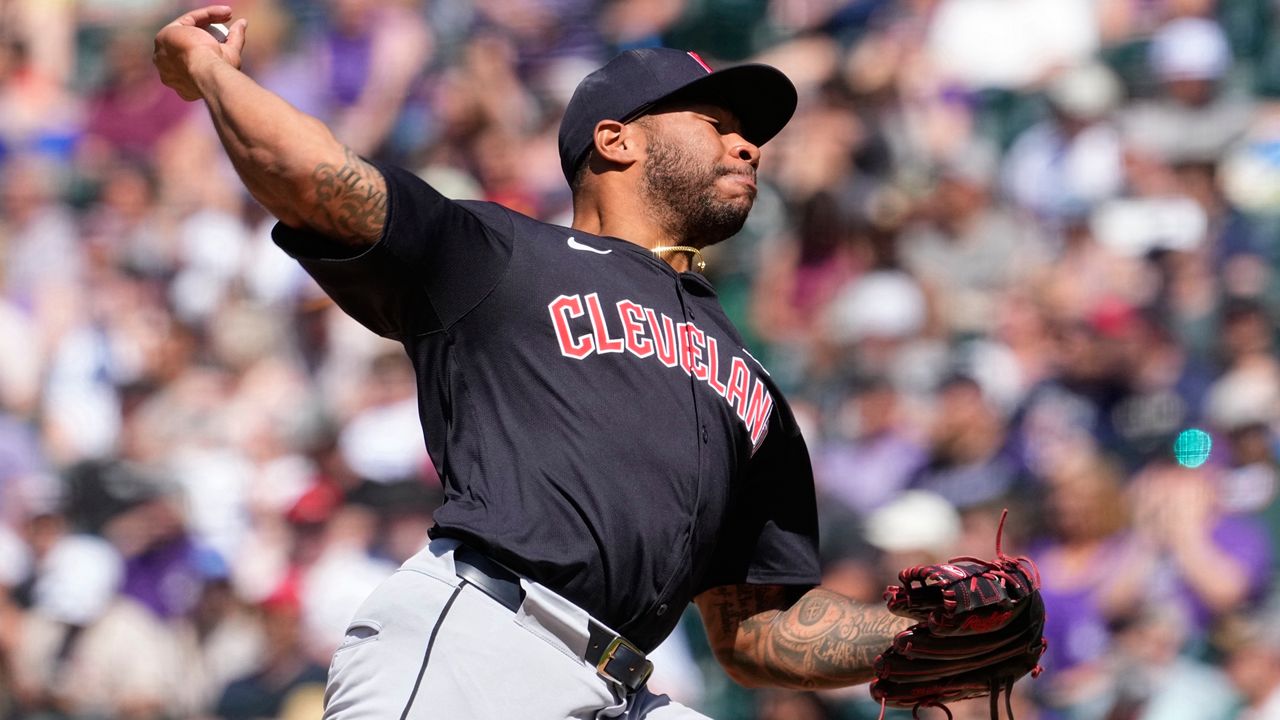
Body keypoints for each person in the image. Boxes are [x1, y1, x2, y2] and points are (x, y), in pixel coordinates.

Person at [153, 6, 910, 718]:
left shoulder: (750, 377)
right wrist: (212, 74)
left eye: (748, 134)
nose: (748, 146)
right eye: (716, 124)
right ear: (617, 141)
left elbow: (758, 634)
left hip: (625, 684)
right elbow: (315, 181)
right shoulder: (506, 257)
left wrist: (913, 634)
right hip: (484, 641)